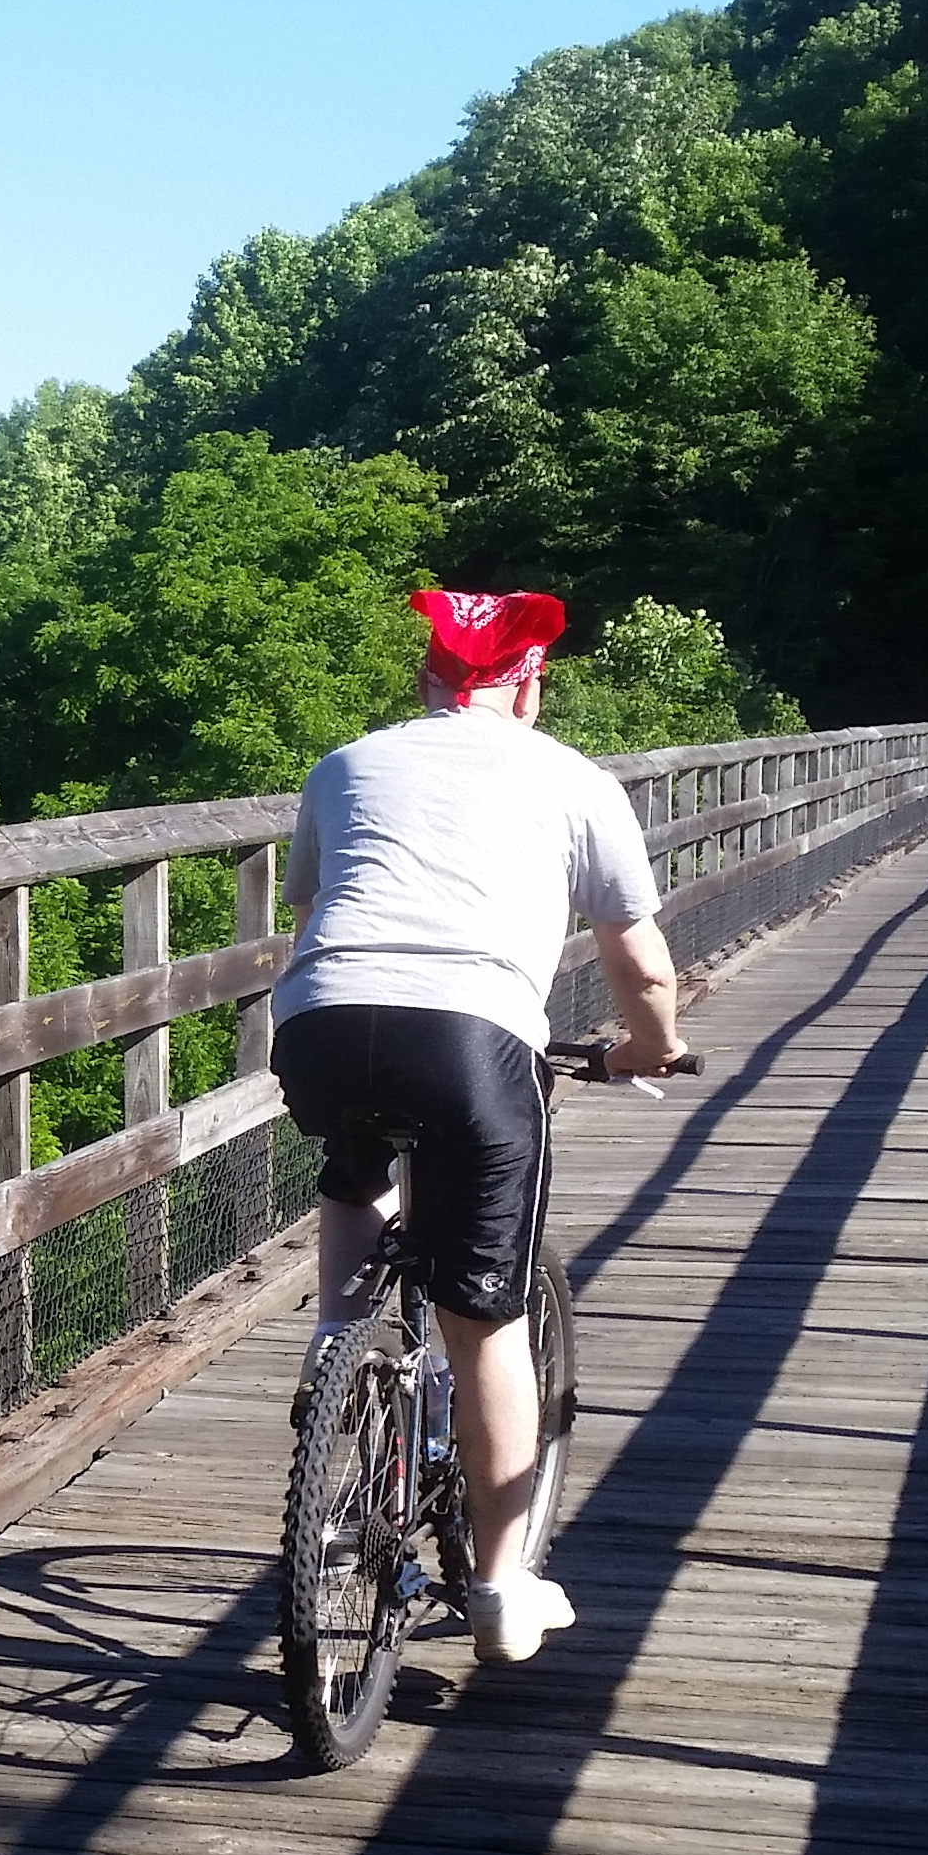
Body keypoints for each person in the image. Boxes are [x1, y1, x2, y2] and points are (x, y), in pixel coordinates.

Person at [273, 588, 687, 1665]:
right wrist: (648, 1048)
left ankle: (336, 1346)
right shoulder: (573, 779)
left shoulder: (343, 765)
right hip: (470, 1039)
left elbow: (315, 913)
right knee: (483, 1318)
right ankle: (503, 1586)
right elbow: (640, 966)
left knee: (357, 1159)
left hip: (318, 1025)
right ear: (530, 688)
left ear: (426, 680)